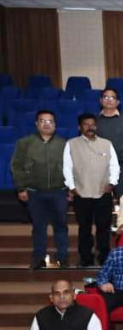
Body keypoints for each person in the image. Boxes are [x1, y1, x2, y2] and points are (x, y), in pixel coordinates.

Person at [12, 110, 68, 269]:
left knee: (61, 225)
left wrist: (71, 188)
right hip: (34, 192)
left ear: (55, 125)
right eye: (42, 121)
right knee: (38, 226)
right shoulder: (24, 143)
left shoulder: (63, 144)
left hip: (59, 191)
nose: (46, 124)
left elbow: (72, 168)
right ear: (37, 124)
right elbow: (16, 166)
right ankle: (38, 257)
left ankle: (63, 257)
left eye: (50, 121)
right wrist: (21, 188)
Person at [64, 113, 119, 267]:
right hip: (81, 193)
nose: (90, 127)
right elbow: (67, 167)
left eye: (92, 124)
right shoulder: (71, 144)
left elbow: (114, 166)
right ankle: (86, 258)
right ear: (79, 127)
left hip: (103, 192)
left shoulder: (107, 144)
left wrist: (112, 183)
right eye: (86, 124)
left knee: (103, 228)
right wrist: (72, 187)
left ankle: (104, 257)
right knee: (84, 228)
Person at [96, 87, 123, 196]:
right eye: (106, 97)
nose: (109, 100)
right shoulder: (95, 121)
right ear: (101, 100)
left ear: (117, 102)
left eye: (112, 98)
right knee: (102, 198)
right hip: (100, 166)